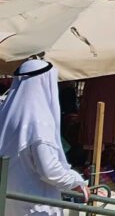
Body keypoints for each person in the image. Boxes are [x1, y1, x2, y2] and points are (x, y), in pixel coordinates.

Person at [0, 59, 89, 216]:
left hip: (9, 200)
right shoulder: (38, 121)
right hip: (34, 205)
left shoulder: (6, 113)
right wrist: (75, 183)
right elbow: (49, 169)